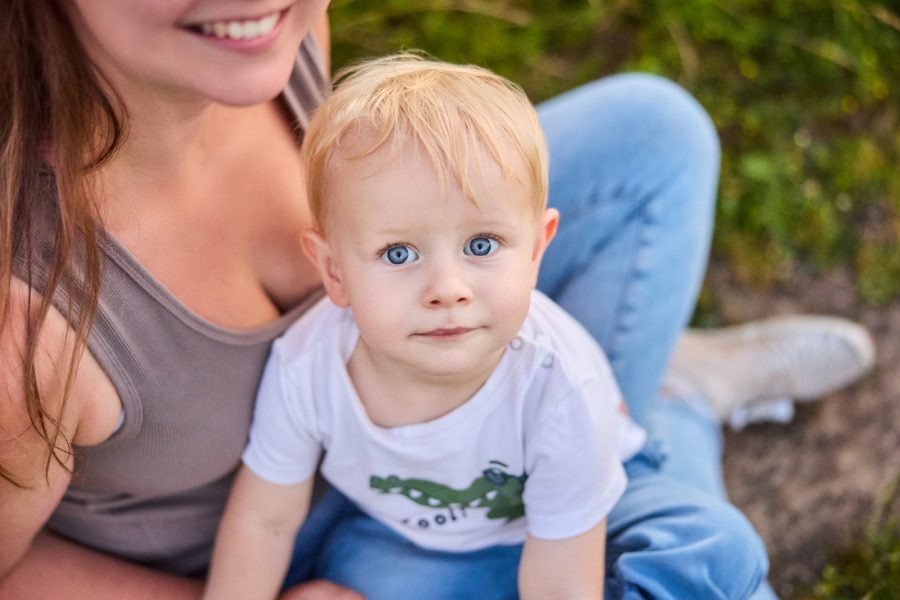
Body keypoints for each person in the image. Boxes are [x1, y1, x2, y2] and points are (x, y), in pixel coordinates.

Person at [0, 1, 874, 599]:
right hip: (321, 545)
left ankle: (621, 423)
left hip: (428, 369)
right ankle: (667, 418)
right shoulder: (22, 321)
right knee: (700, 553)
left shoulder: (264, 31)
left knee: (654, 141)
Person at [204, 53, 664, 600]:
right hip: (412, 540)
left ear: (538, 249)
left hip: (584, 515)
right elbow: (266, 520)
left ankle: (682, 416)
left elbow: (563, 582)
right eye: (398, 253)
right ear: (334, 271)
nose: (447, 288)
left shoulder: (561, 389)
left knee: (711, 551)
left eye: (481, 245)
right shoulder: (307, 365)